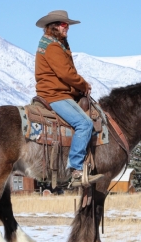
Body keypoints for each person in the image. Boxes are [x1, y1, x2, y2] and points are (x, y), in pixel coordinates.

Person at [35, 10, 103, 186]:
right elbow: (66, 73)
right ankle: (76, 169)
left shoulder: (58, 44)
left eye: (67, 25)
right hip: (55, 94)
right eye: (63, 25)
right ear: (53, 27)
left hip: (58, 92)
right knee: (85, 124)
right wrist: (83, 85)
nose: (67, 28)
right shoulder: (53, 46)